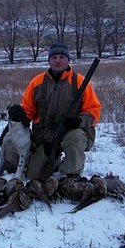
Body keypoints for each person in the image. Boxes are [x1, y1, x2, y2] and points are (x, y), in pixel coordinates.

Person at [21, 43, 101, 180]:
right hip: (45, 134)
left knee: (75, 139)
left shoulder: (80, 81)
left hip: (71, 130)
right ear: (49, 60)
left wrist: (79, 121)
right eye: (54, 57)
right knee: (34, 177)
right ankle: (54, 159)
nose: (58, 60)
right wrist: (20, 120)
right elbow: (27, 110)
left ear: (68, 60)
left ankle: (70, 174)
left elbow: (94, 110)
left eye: (62, 57)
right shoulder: (37, 82)